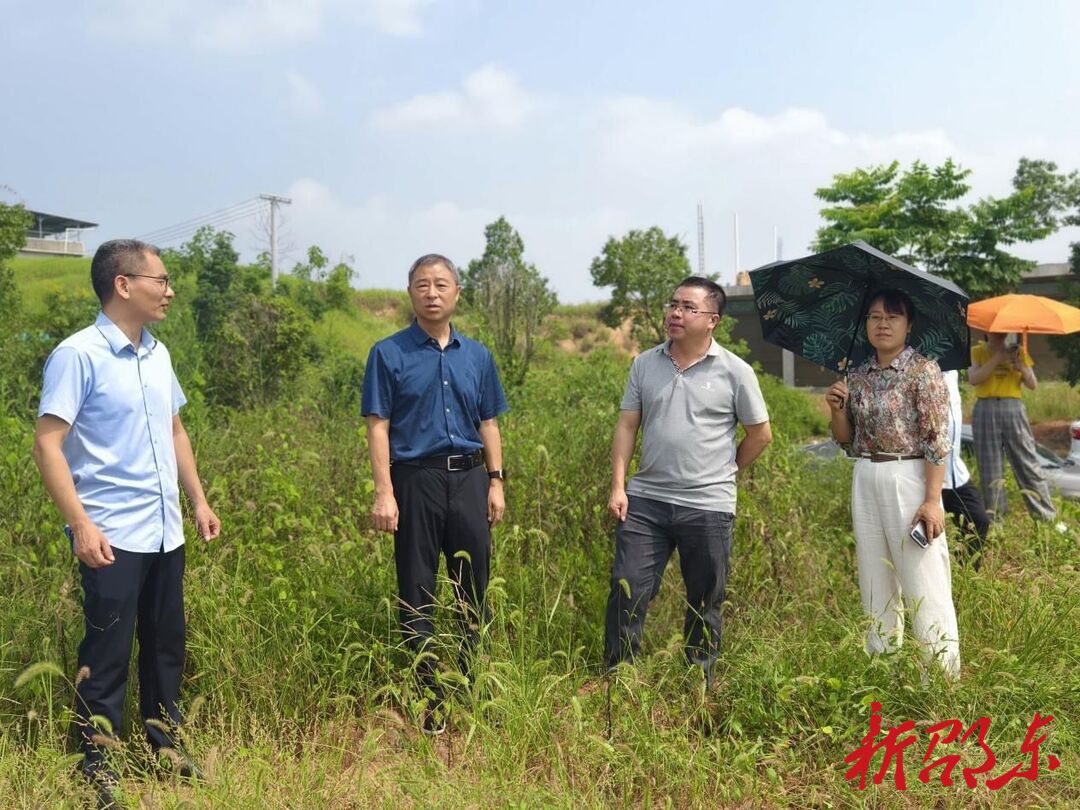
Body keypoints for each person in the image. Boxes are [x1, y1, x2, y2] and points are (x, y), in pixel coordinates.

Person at [32, 239, 221, 805]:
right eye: (160, 281)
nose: (169, 291)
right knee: (107, 654)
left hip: (165, 529)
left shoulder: (157, 354)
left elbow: (175, 430)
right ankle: (96, 767)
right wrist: (80, 524)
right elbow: (47, 444)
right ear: (123, 284)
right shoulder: (78, 354)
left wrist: (198, 500)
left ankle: (167, 751)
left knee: (166, 646)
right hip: (111, 533)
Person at [361, 253, 507, 732]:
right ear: (410, 293)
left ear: (457, 292)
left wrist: (496, 480)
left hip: (469, 480)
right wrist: (384, 492)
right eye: (422, 284)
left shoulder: (477, 356)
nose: (432, 293)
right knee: (416, 589)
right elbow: (378, 426)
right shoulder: (388, 353)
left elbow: (488, 422)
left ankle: (473, 684)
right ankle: (430, 696)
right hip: (414, 481)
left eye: (441, 284)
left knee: (473, 587)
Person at [604, 276, 772, 685]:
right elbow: (627, 426)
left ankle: (699, 683)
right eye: (673, 304)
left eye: (688, 307)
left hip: (708, 506)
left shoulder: (735, 371)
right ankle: (618, 677)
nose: (675, 313)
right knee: (628, 587)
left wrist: (725, 471)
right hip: (646, 501)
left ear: (712, 319)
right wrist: (619, 486)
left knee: (704, 598)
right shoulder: (645, 363)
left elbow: (760, 434)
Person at [826, 290, 960, 679]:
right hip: (866, 475)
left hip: (910, 476)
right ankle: (883, 670)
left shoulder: (923, 371)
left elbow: (937, 442)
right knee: (874, 577)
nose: (882, 324)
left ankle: (940, 676)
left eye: (892, 317)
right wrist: (837, 411)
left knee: (923, 578)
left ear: (909, 325)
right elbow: (847, 440)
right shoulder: (857, 375)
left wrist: (932, 500)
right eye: (874, 317)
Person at [968, 332, 1055, 522]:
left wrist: (1021, 367)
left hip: (1012, 406)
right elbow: (973, 378)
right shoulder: (977, 351)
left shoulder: (1018, 351)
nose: (1000, 333)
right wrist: (996, 359)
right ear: (987, 331)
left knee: (1027, 461)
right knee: (989, 466)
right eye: (996, 330)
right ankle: (995, 519)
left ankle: (1045, 517)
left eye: (1003, 330)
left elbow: (1033, 384)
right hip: (986, 406)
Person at [941, 370, 991, 568]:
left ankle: (964, 573)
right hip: (924, 470)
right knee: (923, 534)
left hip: (954, 470)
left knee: (978, 520)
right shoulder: (915, 366)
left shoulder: (952, 369)